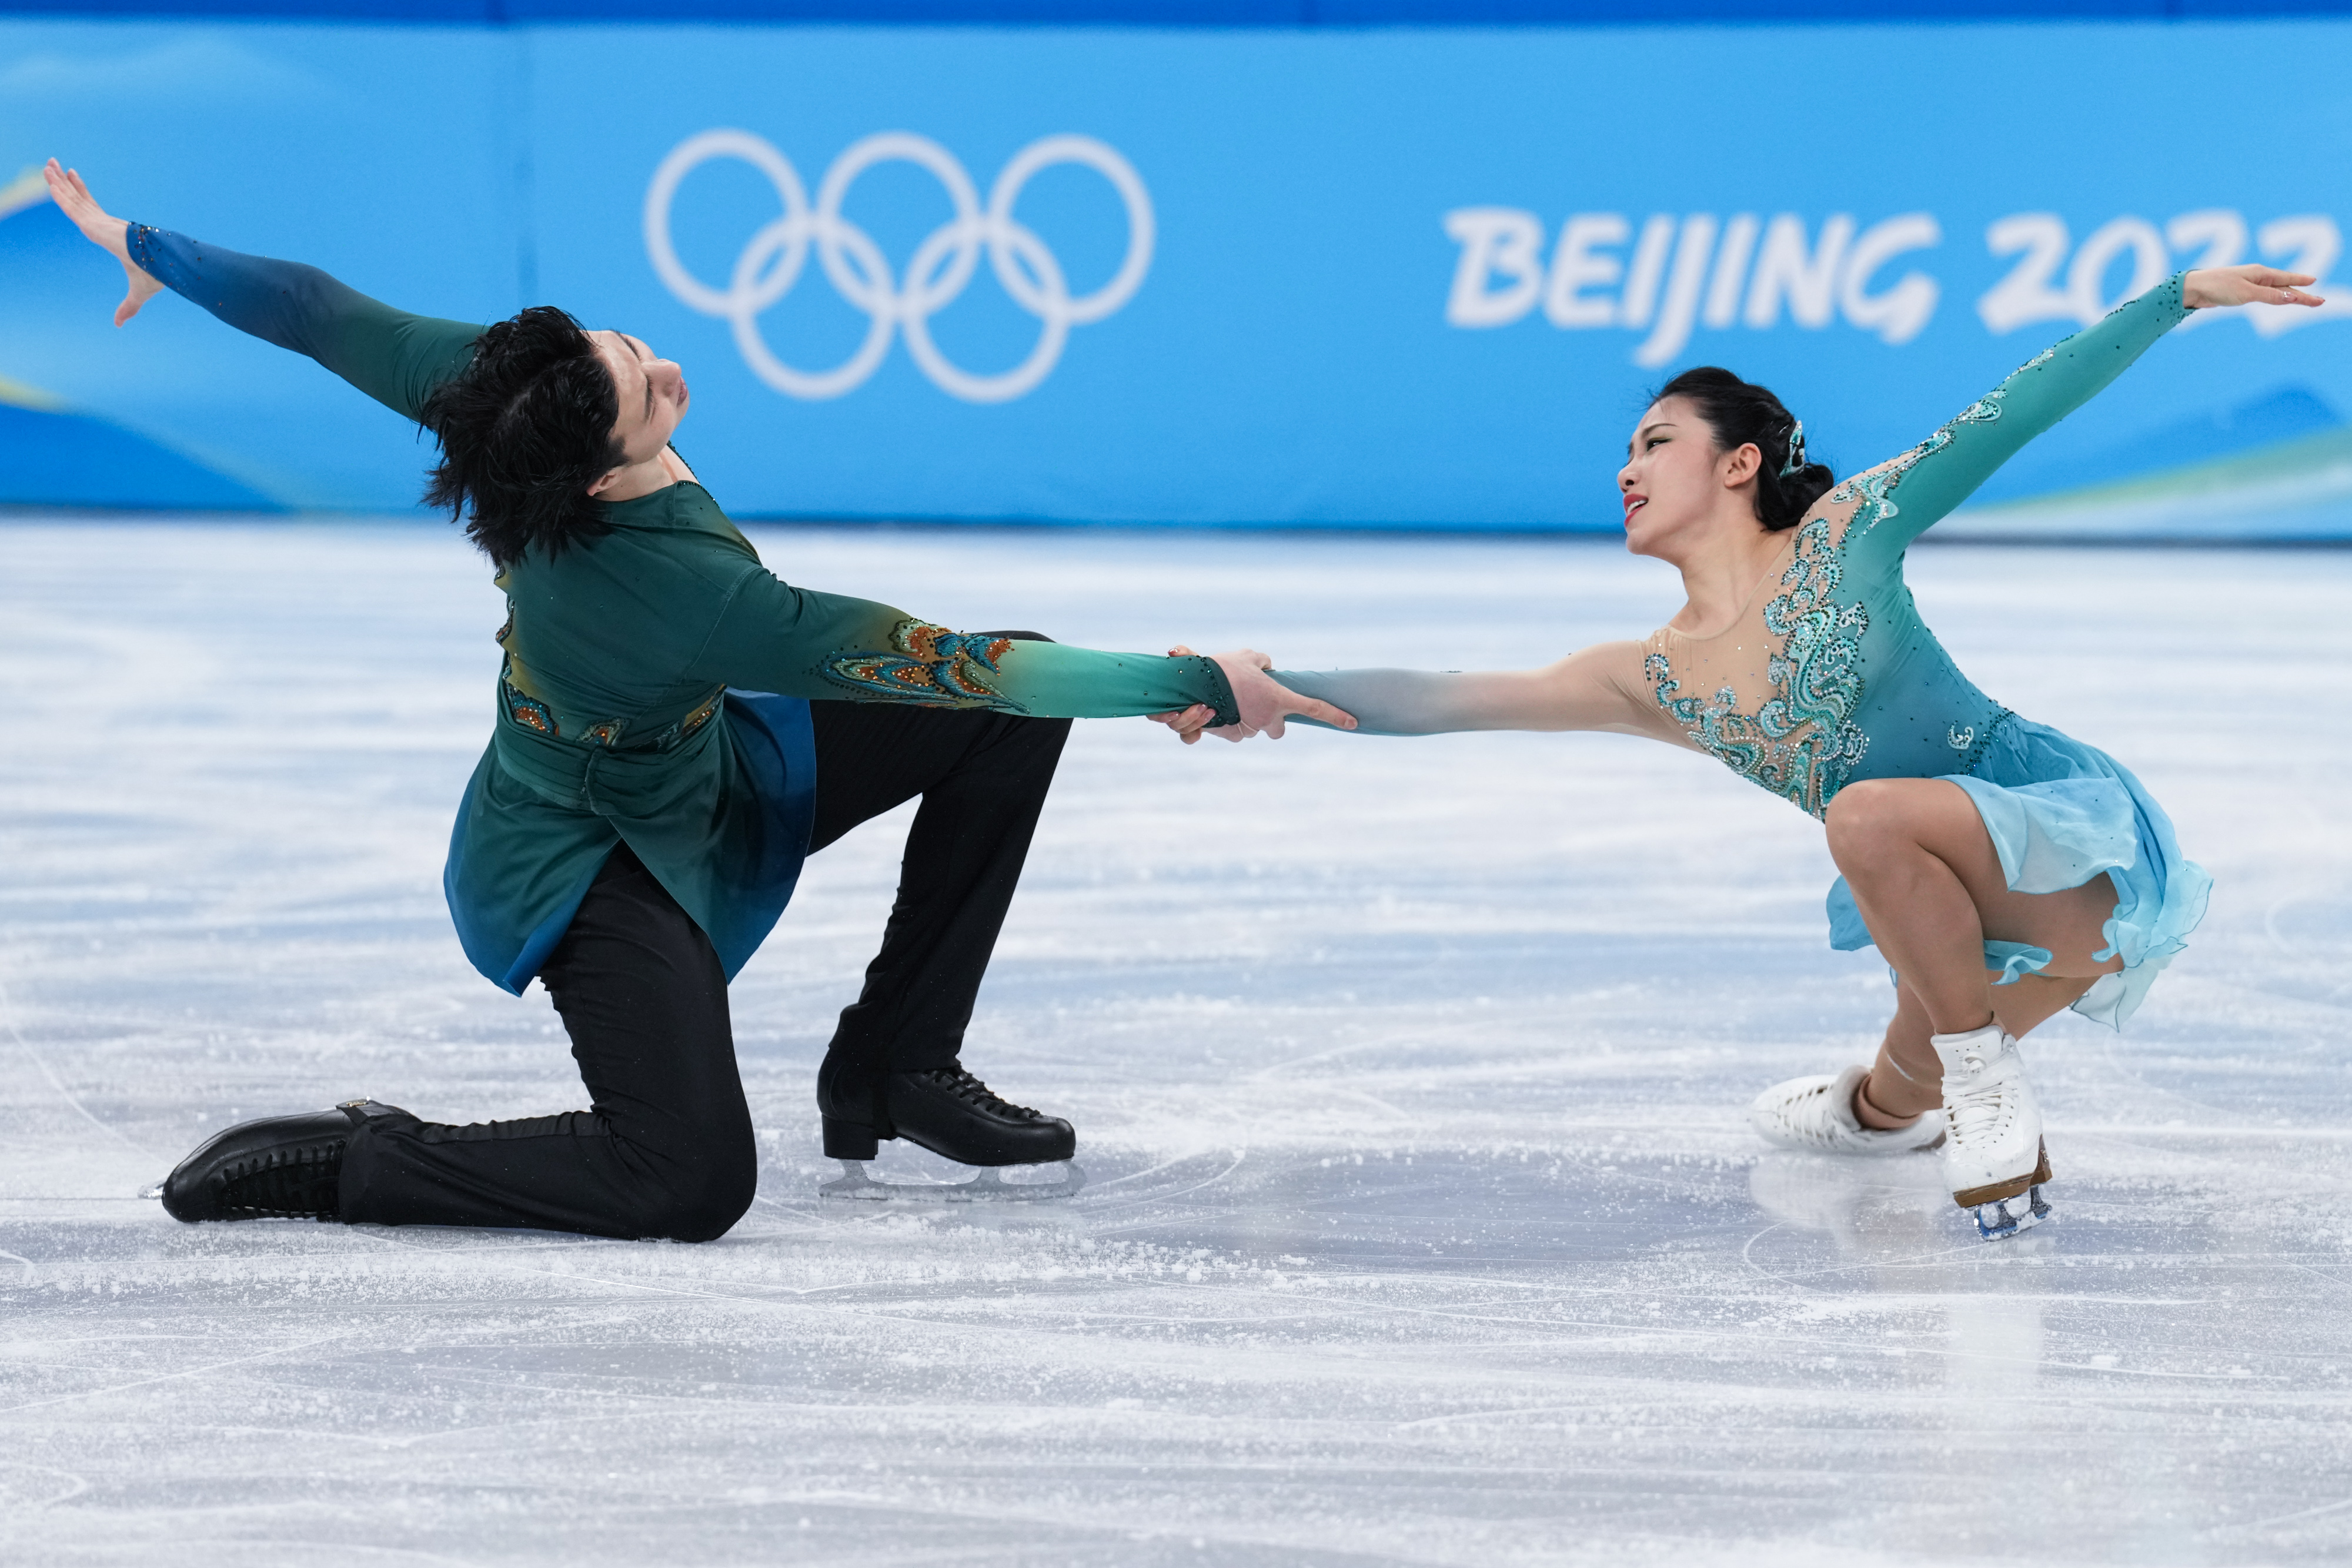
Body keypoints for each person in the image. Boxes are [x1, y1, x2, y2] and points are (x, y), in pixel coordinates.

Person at [42, 159, 1351, 1240]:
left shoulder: (507, 393)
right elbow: (965, 661)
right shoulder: (681, 595)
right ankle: (357, 1162)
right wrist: (1191, 681)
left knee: (998, 724)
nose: (669, 374)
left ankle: (895, 1059)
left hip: (707, 766)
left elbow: (317, 309)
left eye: (633, 351)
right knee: (683, 1177)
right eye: (645, 396)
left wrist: (148, 245)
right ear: (600, 480)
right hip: (588, 855)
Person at [1159, 261, 2321, 1239]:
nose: (1625, 465)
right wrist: (1267, 687)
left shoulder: (1844, 533)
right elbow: (1455, 695)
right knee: (1890, 1091)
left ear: (1736, 463)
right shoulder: (1652, 674)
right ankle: (1886, 1103)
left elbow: (2013, 410)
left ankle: (1973, 1081)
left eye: (1654, 441)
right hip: (1958, 928)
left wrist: (2169, 299)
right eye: (1623, 446)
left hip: (2072, 863)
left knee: (1861, 817)